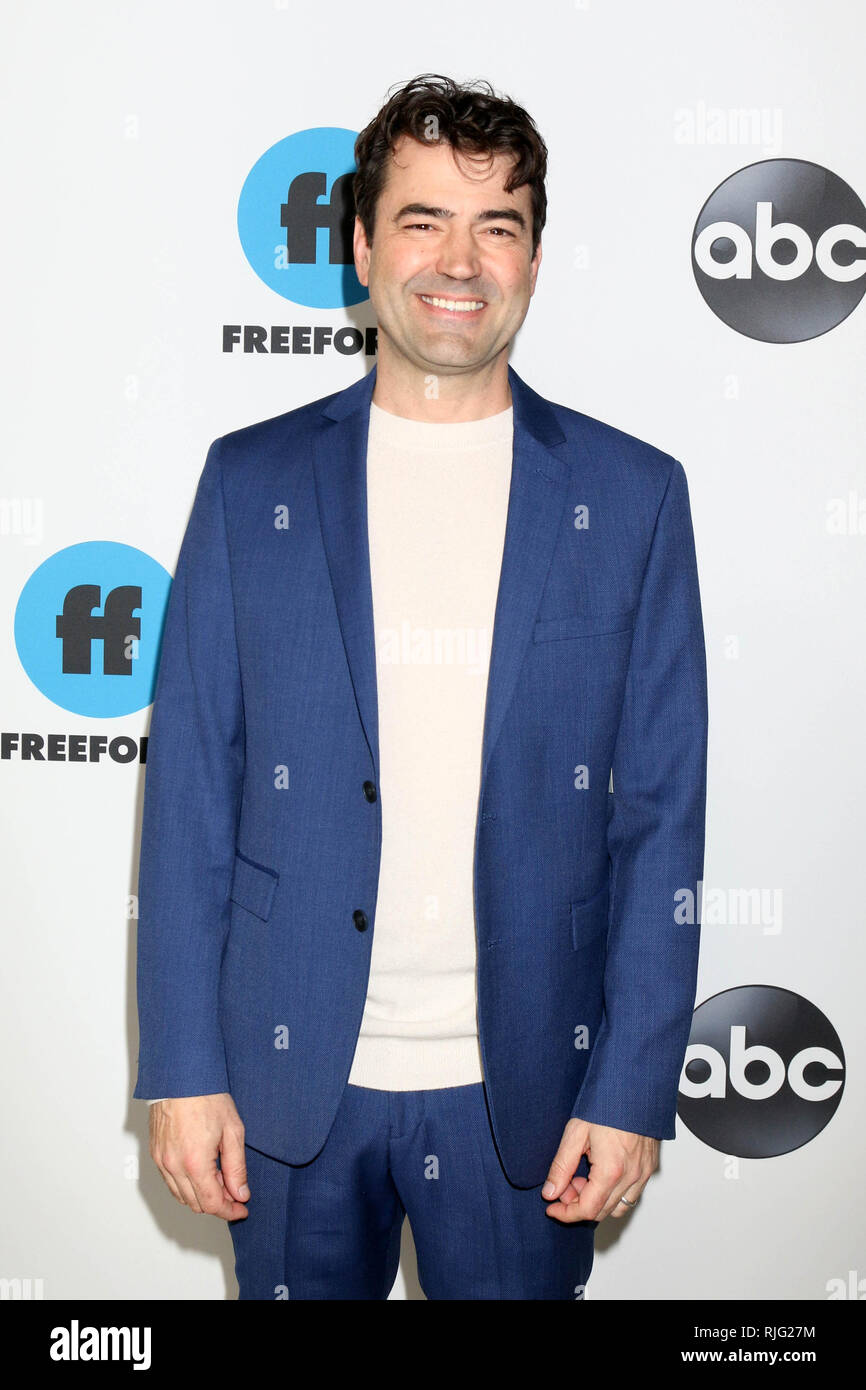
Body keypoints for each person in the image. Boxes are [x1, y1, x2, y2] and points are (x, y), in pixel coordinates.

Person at [135, 73, 708, 1300]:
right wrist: (182, 1065)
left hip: (526, 1095)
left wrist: (630, 1082)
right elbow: (188, 791)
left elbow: (661, 814)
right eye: (421, 220)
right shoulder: (250, 484)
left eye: (496, 225)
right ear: (358, 244)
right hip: (290, 1082)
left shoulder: (633, 494)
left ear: (535, 259)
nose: (460, 259)